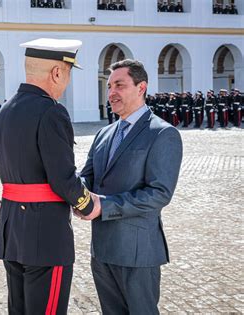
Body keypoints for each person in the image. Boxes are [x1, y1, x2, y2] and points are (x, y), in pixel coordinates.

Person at [0, 38, 97, 314]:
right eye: (69, 73)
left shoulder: (5, 111)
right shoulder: (50, 111)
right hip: (46, 237)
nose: (68, 82)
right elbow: (63, 178)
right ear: (57, 72)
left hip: (12, 230)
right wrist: (88, 204)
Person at [78, 59, 183, 315]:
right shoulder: (104, 133)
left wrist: (104, 205)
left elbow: (159, 193)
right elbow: (88, 176)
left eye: (120, 85)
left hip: (137, 252)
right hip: (102, 250)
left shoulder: (162, 133)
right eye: (109, 86)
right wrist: (74, 191)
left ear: (141, 87)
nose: (112, 92)